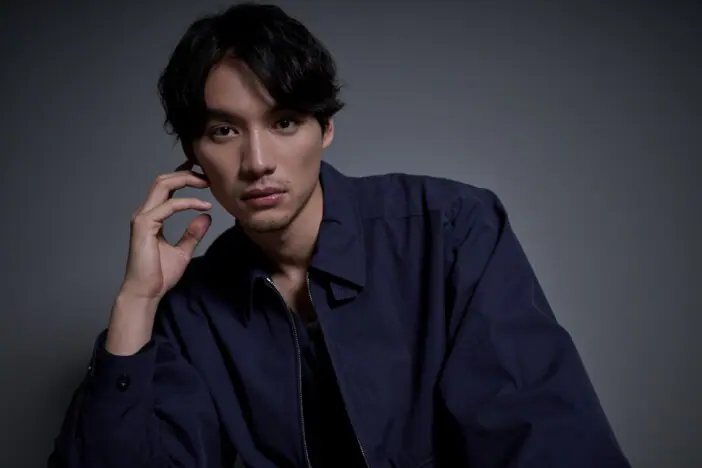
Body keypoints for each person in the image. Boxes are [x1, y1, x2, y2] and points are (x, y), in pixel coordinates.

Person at [48, 3, 631, 467]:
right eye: (224, 131)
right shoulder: (189, 309)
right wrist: (136, 303)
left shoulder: (451, 228)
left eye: (284, 122)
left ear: (325, 128)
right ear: (192, 155)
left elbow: (545, 437)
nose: (257, 161)